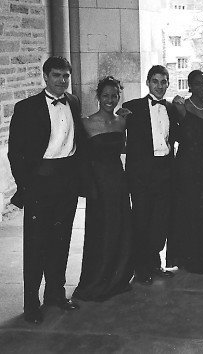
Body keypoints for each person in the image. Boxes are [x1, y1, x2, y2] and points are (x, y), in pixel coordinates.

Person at [8, 56, 83, 324]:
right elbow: (15, 152)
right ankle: (31, 303)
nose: (62, 80)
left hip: (67, 182)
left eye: (66, 76)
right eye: (56, 75)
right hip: (40, 184)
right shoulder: (26, 108)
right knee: (36, 244)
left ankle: (55, 294)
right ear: (45, 76)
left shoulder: (73, 102)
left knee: (61, 240)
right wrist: (26, 186)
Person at [72, 76, 134, 301]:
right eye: (106, 96)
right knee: (101, 231)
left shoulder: (122, 122)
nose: (110, 100)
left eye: (114, 96)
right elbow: (81, 159)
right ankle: (97, 280)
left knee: (120, 228)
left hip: (118, 181)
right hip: (98, 184)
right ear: (98, 97)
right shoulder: (85, 123)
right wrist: (88, 186)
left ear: (119, 97)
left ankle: (117, 278)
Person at [123, 65, 178, 285]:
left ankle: (155, 263)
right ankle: (141, 268)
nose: (160, 86)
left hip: (165, 170)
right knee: (142, 220)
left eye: (164, 82)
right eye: (155, 81)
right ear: (147, 83)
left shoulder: (171, 108)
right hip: (142, 173)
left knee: (160, 220)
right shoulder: (131, 108)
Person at [167, 70, 203, 273]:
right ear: (190, 86)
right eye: (197, 83)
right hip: (187, 164)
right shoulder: (181, 106)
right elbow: (174, 133)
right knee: (188, 209)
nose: (202, 87)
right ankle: (190, 259)